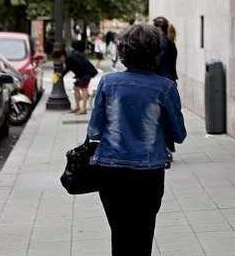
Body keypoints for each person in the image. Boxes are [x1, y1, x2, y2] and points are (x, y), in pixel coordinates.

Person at [86, 24, 186, 256]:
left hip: (111, 170)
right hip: (148, 173)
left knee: (119, 234)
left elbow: (94, 131)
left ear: (123, 51)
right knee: (143, 235)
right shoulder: (165, 87)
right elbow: (179, 134)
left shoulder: (108, 83)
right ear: (155, 53)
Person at [53, 41, 98, 115]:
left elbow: (81, 65)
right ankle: (77, 107)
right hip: (83, 73)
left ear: (62, 56)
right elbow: (68, 68)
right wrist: (61, 75)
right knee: (76, 88)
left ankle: (83, 109)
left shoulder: (71, 57)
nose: (60, 61)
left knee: (83, 88)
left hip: (87, 72)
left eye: (60, 60)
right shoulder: (68, 57)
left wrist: (79, 77)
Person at [152, 16, 178, 83]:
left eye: (154, 27)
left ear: (159, 28)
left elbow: (156, 62)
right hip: (169, 78)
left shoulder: (161, 42)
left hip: (162, 79)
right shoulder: (169, 41)